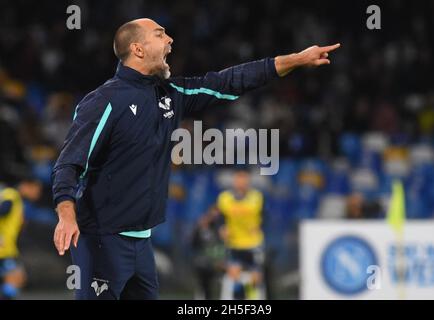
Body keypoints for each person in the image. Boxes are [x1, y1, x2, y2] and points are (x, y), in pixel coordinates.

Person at [51, 17, 340, 300]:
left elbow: (228, 82)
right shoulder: (104, 101)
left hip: (140, 242)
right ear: (138, 49)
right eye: (160, 34)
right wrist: (66, 215)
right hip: (102, 240)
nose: (170, 39)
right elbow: (69, 163)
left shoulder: (170, 93)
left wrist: (294, 60)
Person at [216, 170, 265, 299]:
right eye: (238, 178)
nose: (241, 182)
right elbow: (220, 218)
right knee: (234, 274)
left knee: (255, 277)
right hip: (234, 243)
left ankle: (252, 299)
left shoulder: (256, 197)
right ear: (234, 180)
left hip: (253, 243)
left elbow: (265, 216)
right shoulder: (225, 198)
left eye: (244, 179)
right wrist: (222, 228)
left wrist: (260, 226)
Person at [0, 178, 41, 299]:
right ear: (25, 185)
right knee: (16, 277)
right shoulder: (11, 196)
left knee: (18, 277)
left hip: (8, 249)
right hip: (3, 249)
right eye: (36, 188)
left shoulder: (15, 199)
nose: (37, 193)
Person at [191, 206, 225, 299]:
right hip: (205, 263)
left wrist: (221, 260)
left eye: (217, 215)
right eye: (213, 215)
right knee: (203, 285)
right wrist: (201, 228)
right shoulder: (203, 229)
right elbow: (194, 244)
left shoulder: (222, 228)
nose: (215, 217)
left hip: (221, 262)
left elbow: (224, 247)